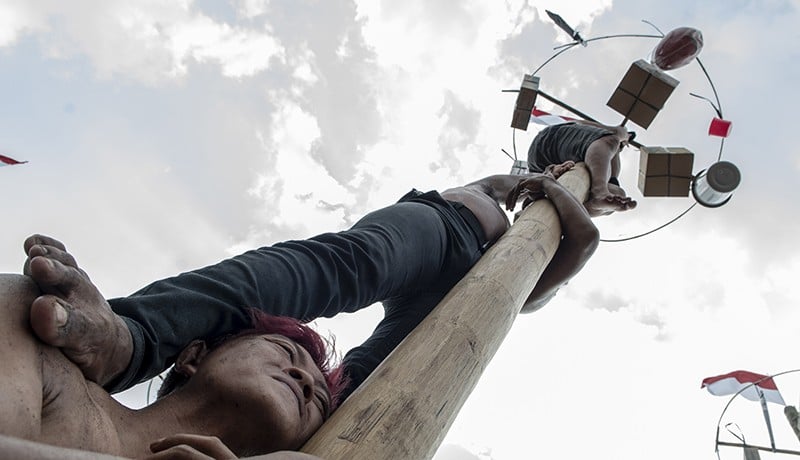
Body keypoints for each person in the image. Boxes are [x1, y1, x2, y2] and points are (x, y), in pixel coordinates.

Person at [22, 163, 599, 406]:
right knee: (350, 265)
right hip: (439, 228)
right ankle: (138, 335)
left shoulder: (525, 266)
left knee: (379, 377)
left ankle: (294, 434)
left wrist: (570, 192)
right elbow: (495, 183)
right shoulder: (481, 196)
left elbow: (583, 240)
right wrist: (533, 181)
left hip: (467, 292)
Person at [0, 273, 338, 459]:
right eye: (283, 351)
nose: (305, 381)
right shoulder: (36, 343)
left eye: (320, 403)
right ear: (193, 357)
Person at [527, 120, 638, 217]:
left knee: (618, 193)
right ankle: (599, 192)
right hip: (549, 145)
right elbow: (617, 132)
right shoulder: (602, 141)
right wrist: (624, 135)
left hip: (552, 179)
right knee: (611, 140)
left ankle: (587, 205)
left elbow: (613, 183)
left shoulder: (609, 167)